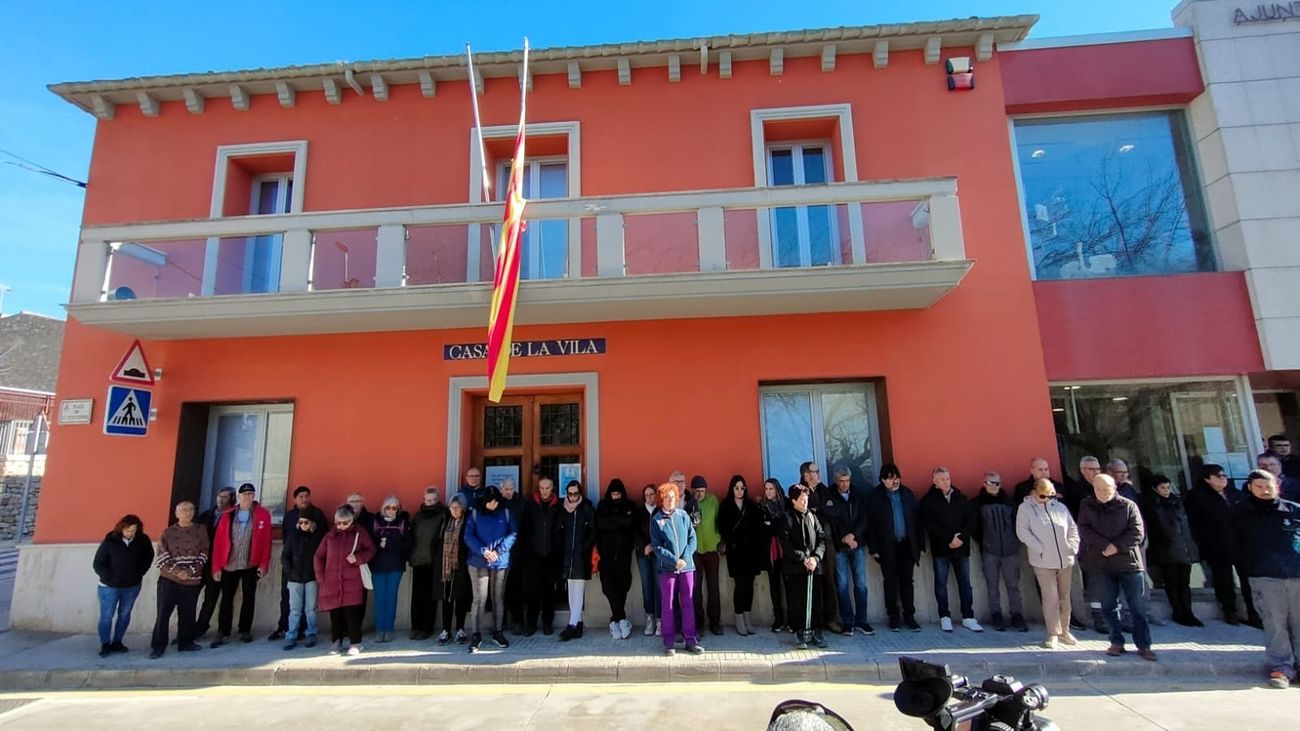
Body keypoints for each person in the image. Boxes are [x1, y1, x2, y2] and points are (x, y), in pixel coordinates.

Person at [1232, 469, 1300, 688]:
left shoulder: (1293, 510)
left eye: (1269, 486)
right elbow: (1232, 544)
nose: (1265, 490)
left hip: (1296, 575)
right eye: (1259, 486)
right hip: (1264, 576)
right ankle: (1282, 667)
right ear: (1250, 488)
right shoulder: (1240, 512)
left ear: (1277, 487)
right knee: (1275, 623)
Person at [1078, 474, 1156, 661]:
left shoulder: (1128, 505)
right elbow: (1084, 529)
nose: (1103, 493)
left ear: (1114, 488)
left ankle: (1144, 645)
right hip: (1102, 563)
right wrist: (1104, 545)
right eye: (1099, 489)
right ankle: (1116, 641)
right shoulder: (1087, 506)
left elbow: (1137, 532)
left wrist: (1117, 546)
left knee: (1137, 607)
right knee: (1108, 606)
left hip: (1129, 563)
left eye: (1107, 489)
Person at [1187, 463, 1263, 628]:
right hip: (1216, 545)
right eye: (1218, 476)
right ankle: (1229, 610)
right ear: (1207, 479)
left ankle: (1253, 611)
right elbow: (1196, 524)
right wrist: (1204, 542)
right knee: (1224, 579)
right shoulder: (1197, 496)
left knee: (1248, 579)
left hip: (1241, 544)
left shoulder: (1235, 494)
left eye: (1224, 476)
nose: (1223, 479)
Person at [1016, 479, 1080, 649]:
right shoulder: (1026, 508)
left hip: (1064, 559)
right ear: (1035, 493)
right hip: (1043, 560)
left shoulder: (1060, 507)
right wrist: (1040, 547)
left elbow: (1072, 528)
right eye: (1043, 495)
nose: (1046, 498)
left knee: (1065, 597)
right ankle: (1053, 633)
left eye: (1050, 495)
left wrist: (1072, 547)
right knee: (1050, 597)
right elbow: (1022, 531)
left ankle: (1065, 631)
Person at [919, 467, 982, 633]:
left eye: (947, 478)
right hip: (941, 548)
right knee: (941, 583)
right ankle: (944, 616)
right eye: (942, 479)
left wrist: (961, 538)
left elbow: (970, 521)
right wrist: (949, 538)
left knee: (965, 584)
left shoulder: (961, 498)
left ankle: (968, 616)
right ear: (935, 481)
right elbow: (930, 524)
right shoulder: (928, 501)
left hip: (961, 548)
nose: (946, 481)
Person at [210, 483, 272, 647]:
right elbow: (218, 542)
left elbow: (266, 542)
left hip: (251, 563)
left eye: (250, 494)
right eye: (244, 494)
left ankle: (245, 629)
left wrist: (263, 564)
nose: (247, 497)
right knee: (226, 598)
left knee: (249, 597)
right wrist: (216, 566)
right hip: (230, 563)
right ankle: (223, 630)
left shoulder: (262, 514)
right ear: (238, 496)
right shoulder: (228, 515)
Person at [1139, 475, 1201, 627]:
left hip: (1184, 548)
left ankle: (1188, 612)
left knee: (1184, 583)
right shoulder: (1152, 505)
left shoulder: (1177, 502)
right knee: (1171, 582)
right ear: (1155, 489)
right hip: (1165, 549)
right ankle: (1178, 612)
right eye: (1162, 488)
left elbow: (1185, 526)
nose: (1166, 491)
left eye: (1167, 487)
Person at [866, 464, 922, 632]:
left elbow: (916, 521)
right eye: (890, 478)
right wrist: (873, 548)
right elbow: (871, 525)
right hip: (886, 547)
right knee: (890, 582)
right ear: (883, 480)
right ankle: (893, 616)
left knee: (907, 581)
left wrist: (918, 546)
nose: (894, 481)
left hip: (906, 545)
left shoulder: (907, 494)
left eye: (896, 477)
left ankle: (909, 616)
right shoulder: (875, 497)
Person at [314, 505, 375, 656]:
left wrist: (358, 558)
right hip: (332, 581)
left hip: (353, 582)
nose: (340, 526)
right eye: (337, 523)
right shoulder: (330, 536)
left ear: (351, 521)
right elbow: (318, 556)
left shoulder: (359, 533)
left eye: (344, 523)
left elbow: (371, 549)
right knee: (335, 613)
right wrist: (320, 577)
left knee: (352, 613)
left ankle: (356, 643)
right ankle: (336, 641)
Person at [650, 482, 703, 655]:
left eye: (673, 497)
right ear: (661, 500)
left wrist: (685, 558)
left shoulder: (683, 516)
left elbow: (692, 538)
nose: (670, 500)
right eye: (666, 498)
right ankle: (669, 643)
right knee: (668, 605)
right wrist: (674, 561)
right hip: (668, 569)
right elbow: (657, 548)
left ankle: (690, 640)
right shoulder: (657, 520)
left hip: (687, 568)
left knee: (688, 602)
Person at [150, 501, 208, 658]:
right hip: (169, 580)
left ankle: (186, 642)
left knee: (188, 613)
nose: (187, 513)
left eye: (190, 509)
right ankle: (158, 646)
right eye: (183, 510)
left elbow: (204, 552)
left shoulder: (200, 531)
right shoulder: (167, 532)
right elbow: (162, 556)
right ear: (176, 513)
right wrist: (177, 572)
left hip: (192, 579)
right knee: (163, 613)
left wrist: (190, 571)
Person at [270, 486, 327, 642]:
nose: (304, 499)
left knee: (310, 606)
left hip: (310, 571)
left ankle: (308, 631)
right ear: (295, 499)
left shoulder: (317, 514)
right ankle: (285, 628)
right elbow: (285, 541)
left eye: (307, 496)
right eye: (301, 496)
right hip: (292, 569)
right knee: (288, 600)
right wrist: (288, 568)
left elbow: (324, 540)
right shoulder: (289, 516)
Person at [93, 514, 153, 657]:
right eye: (127, 531)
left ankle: (117, 641)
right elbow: (98, 562)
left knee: (125, 614)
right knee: (107, 616)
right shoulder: (110, 541)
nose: (130, 533)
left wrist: (139, 573)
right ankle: (105, 644)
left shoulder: (142, 541)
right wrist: (107, 576)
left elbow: (148, 558)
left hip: (131, 585)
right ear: (121, 529)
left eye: (133, 531)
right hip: (109, 586)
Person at [465, 486, 516, 652]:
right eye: (490, 502)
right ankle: (476, 635)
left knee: (498, 597)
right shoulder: (475, 513)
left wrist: (498, 551)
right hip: (478, 562)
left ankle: (498, 632)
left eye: (495, 502)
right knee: (479, 598)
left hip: (500, 562)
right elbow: (468, 535)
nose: (493, 505)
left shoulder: (506, 513)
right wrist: (483, 551)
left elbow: (512, 533)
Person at [974, 471, 1026, 632]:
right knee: (992, 585)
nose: (994, 486)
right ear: (984, 483)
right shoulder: (977, 504)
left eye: (997, 483)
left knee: (1013, 584)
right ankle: (996, 614)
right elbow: (975, 527)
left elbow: (1017, 524)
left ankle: (1017, 614)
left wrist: (1014, 541)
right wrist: (984, 542)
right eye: (991, 482)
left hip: (1010, 549)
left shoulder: (1009, 503)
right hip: (990, 550)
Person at [824, 467, 872, 636]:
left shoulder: (857, 495)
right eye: (841, 481)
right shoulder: (830, 496)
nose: (845, 485)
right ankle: (848, 622)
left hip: (857, 544)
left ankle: (862, 621)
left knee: (860, 584)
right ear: (836, 481)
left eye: (847, 481)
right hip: (839, 546)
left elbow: (864, 518)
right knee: (842, 585)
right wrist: (844, 538)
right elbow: (832, 520)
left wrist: (854, 536)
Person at [781, 484, 827, 650]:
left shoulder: (813, 516)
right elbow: (786, 544)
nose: (805, 502)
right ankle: (799, 631)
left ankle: (816, 630)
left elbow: (822, 539)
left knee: (815, 599)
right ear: (793, 501)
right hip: (796, 568)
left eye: (806, 499)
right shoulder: (787, 518)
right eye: (802, 499)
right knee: (797, 600)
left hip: (814, 567)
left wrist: (816, 558)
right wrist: (803, 558)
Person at [717, 474, 763, 636]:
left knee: (750, 584)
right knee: (740, 584)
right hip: (736, 552)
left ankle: (747, 617)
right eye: (736, 487)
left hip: (751, 551)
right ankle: (739, 618)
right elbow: (722, 527)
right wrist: (732, 540)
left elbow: (758, 526)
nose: (739, 490)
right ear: (732, 489)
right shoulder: (726, 505)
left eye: (742, 487)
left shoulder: (751, 505)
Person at [802, 462, 843, 635]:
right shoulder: (800, 490)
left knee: (830, 580)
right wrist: (821, 509)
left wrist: (817, 509)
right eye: (815, 471)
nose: (818, 474)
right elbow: (803, 511)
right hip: (807, 542)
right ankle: (813, 621)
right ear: (806, 475)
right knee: (812, 582)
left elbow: (834, 511)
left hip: (827, 540)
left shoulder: (824, 490)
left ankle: (831, 618)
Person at [520, 477, 563, 636]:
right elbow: (524, 528)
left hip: (551, 554)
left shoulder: (558, 505)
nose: (544, 491)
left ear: (552, 488)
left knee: (548, 591)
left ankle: (547, 623)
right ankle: (531, 624)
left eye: (547, 488)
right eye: (542, 488)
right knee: (532, 591)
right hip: (534, 555)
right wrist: (526, 550)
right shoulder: (530, 504)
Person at [596, 478, 637, 640]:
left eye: (618, 493)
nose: (615, 496)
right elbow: (601, 523)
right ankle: (621, 619)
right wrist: (619, 520)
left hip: (624, 553)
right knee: (608, 586)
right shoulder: (602, 505)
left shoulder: (630, 505)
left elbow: (629, 522)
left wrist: (612, 519)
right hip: (605, 554)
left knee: (623, 584)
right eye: (613, 494)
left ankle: (616, 621)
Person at [1065, 457, 1103, 633]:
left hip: (1107, 539)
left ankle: (1115, 614)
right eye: (1092, 469)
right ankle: (1098, 615)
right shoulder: (1076, 490)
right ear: (1082, 470)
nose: (1096, 472)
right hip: (1086, 540)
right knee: (1093, 578)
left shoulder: (1103, 488)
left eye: (1098, 468)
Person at [555, 480, 595, 641]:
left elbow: (593, 530)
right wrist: (560, 545)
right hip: (566, 555)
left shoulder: (586, 508)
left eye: (575, 494)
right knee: (570, 589)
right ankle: (577, 623)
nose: (572, 497)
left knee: (578, 589)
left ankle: (571, 625)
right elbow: (558, 529)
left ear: (580, 493)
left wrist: (585, 547)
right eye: (570, 494)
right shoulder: (563, 509)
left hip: (581, 555)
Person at [279, 510, 325, 649]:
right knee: (294, 609)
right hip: (294, 578)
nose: (303, 525)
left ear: (311, 524)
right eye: (301, 522)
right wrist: (289, 570)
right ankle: (291, 634)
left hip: (311, 577)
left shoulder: (317, 538)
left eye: (306, 522)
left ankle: (311, 633)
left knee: (310, 608)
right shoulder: (293, 537)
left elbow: (321, 556)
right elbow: (285, 556)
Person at [194, 486, 235, 639]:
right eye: (219, 496)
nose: (220, 499)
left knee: (211, 598)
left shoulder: (233, 517)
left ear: (231, 499)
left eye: (225, 497)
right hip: (201, 561)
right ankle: (186, 628)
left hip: (220, 563)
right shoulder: (206, 516)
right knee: (192, 596)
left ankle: (201, 627)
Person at [409, 486, 448, 640]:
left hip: (434, 561)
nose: (430, 503)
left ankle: (427, 627)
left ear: (437, 499)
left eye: (432, 500)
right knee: (416, 595)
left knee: (430, 597)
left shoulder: (443, 515)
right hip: (418, 559)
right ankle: (415, 627)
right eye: (427, 500)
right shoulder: (418, 516)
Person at [370, 495, 411, 643]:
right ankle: (379, 629)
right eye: (388, 507)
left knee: (391, 597)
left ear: (398, 509)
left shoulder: (403, 523)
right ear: (383, 509)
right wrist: (379, 545)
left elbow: (407, 544)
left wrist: (388, 544)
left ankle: (388, 629)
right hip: (378, 566)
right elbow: (368, 543)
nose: (391, 510)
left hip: (395, 565)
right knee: (380, 598)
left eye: (394, 507)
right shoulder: (375, 523)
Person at [435, 495, 473, 645]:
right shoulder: (445, 521)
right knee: (446, 599)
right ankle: (445, 630)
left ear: (463, 508)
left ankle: (460, 629)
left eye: (457, 508)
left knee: (461, 598)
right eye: (452, 508)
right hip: (445, 566)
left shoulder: (468, 521)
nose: (454, 510)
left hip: (461, 565)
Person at [689, 475, 723, 636]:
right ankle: (698, 624)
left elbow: (719, 521)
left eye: (702, 491)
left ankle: (715, 623)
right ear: (693, 491)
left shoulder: (712, 501)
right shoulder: (690, 503)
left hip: (711, 549)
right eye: (697, 491)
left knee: (713, 587)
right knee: (695, 590)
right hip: (695, 551)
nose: (700, 494)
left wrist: (718, 539)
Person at [757, 478, 789, 633]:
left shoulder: (787, 504)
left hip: (787, 550)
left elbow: (784, 526)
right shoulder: (762, 507)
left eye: (771, 489)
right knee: (774, 585)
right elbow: (763, 530)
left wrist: (772, 526)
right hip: (770, 551)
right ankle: (779, 619)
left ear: (777, 489)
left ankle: (792, 620)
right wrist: (772, 527)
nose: (768, 492)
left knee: (789, 585)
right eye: (766, 489)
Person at [497, 479, 527, 633]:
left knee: (516, 588)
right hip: (498, 553)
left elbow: (527, 526)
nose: (509, 491)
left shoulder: (521, 503)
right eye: (506, 489)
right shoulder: (496, 504)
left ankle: (517, 621)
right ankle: (499, 622)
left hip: (517, 552)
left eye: (511, 488)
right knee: (499, 590)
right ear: (501, 490)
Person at [634, 484, 661, 636]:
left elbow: (664, 531)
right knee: (647, 586)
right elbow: (635, 531)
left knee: (659, 587)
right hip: (642, 554)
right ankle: (649, 618)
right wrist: (644, 545)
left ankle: (660, 620)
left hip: (658, 554)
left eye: (652, 494)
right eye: (647, 495)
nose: (650, 497)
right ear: (644, 497)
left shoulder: (661, 510)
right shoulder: (639, 511)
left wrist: (654, 546)